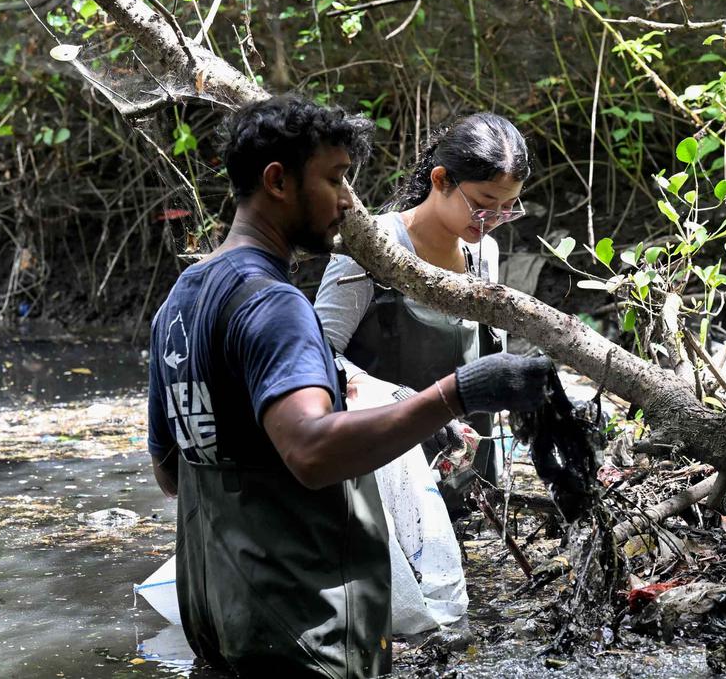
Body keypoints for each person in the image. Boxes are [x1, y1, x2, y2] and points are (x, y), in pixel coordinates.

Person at [146, 95, 550, 677]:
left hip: (218, 616)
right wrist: (451, 396)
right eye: (335, 179)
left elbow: (169, 468)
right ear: (278, 181)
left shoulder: (180, 300)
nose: (346, 200)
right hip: (306, 627)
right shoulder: (276, 306)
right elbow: (311, 453)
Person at [315, 113, 530, 498]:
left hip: (467, 478)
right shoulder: (371, 246)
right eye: (484, 204)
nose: (494, 220)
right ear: (441, 180)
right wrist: (395, 399)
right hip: (383, 476)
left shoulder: (484, 253)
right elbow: (317, 355)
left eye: (509, 208)